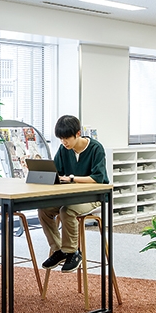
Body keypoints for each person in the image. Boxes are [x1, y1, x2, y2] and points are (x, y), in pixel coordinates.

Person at [38, 115, 108, 274]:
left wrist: (71, 178)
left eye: (66, 138)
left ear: (78, 134)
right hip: (70, 195)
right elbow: (56, 173)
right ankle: (59, 250)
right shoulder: (64, 149)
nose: (64, 142)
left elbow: (98, 178)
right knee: (44, 210)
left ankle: (72, 252)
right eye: (61, 139)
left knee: (67, 211)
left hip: (94, 196)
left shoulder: (96, 148)